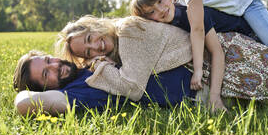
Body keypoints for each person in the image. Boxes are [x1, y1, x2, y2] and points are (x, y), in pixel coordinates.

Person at [55, 16, 268, 111]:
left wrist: (99, 69)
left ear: (95, 27)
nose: (95, 48)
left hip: (230, 55)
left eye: (90, 38)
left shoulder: (126, 32)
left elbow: (133, 87)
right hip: (214, 64)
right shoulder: (119, 49)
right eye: (87, 53)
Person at [130, 0, 261, 111]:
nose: (160, 10)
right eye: (151, 11)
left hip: (247, 30)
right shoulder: (167, 24)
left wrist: (214, 96)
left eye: (159, 1)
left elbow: (217, 52)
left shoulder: (191, 14)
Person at [13, 50, 196, 116]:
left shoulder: (86, 63)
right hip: (197, 87)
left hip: (192, 59)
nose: (55, 65)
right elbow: (23, 103)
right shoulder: (79, 90)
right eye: (46, 74)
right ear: (44, 89)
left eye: (48, 59)